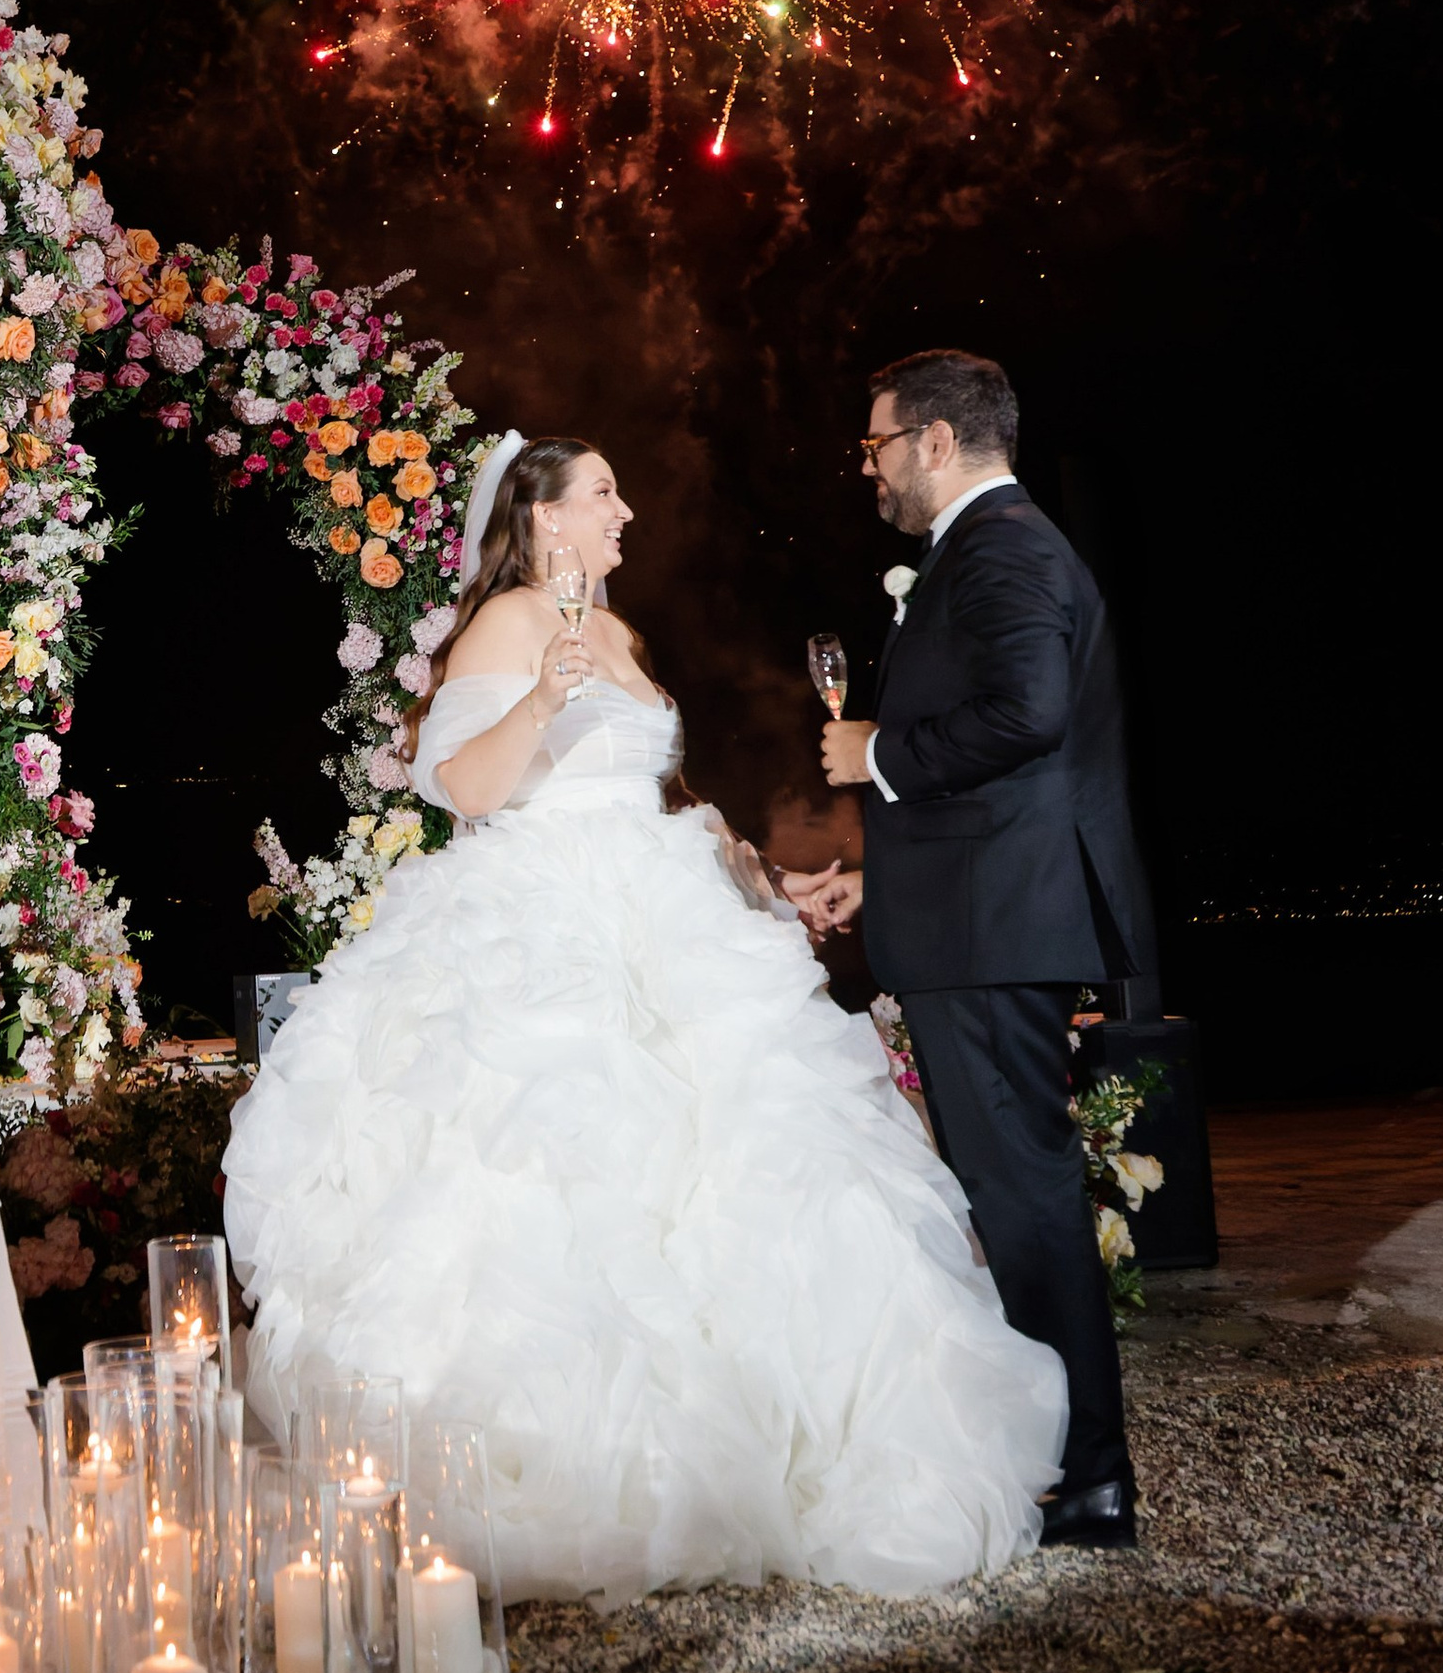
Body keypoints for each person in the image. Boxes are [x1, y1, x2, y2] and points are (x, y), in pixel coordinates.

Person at [223, 431, 1068, 1603]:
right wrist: (541, 694)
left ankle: (775, 1446)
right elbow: (462, 787)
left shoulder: (618, 631)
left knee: (740, 1155)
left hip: (665, 912)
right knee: (570, 1167)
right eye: (605, 494)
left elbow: (664, 802)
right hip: (539, 927)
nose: (628, 513)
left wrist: (772, 880)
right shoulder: (510, 623)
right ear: (545, 518)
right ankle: (582, 1472)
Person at [816, 349, 1153, 1551]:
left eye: (876, 444)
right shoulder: (989, 545)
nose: (870, 468)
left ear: (937, 442)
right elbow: (1013, 765)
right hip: (979, 907)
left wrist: (878, 759)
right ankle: (1063, 1458)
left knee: (1022, 1196)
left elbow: (1028, 711)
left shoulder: (1003, 545)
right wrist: (876, 872)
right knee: (1013, 1192)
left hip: (995, 927)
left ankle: (1089, 1475)